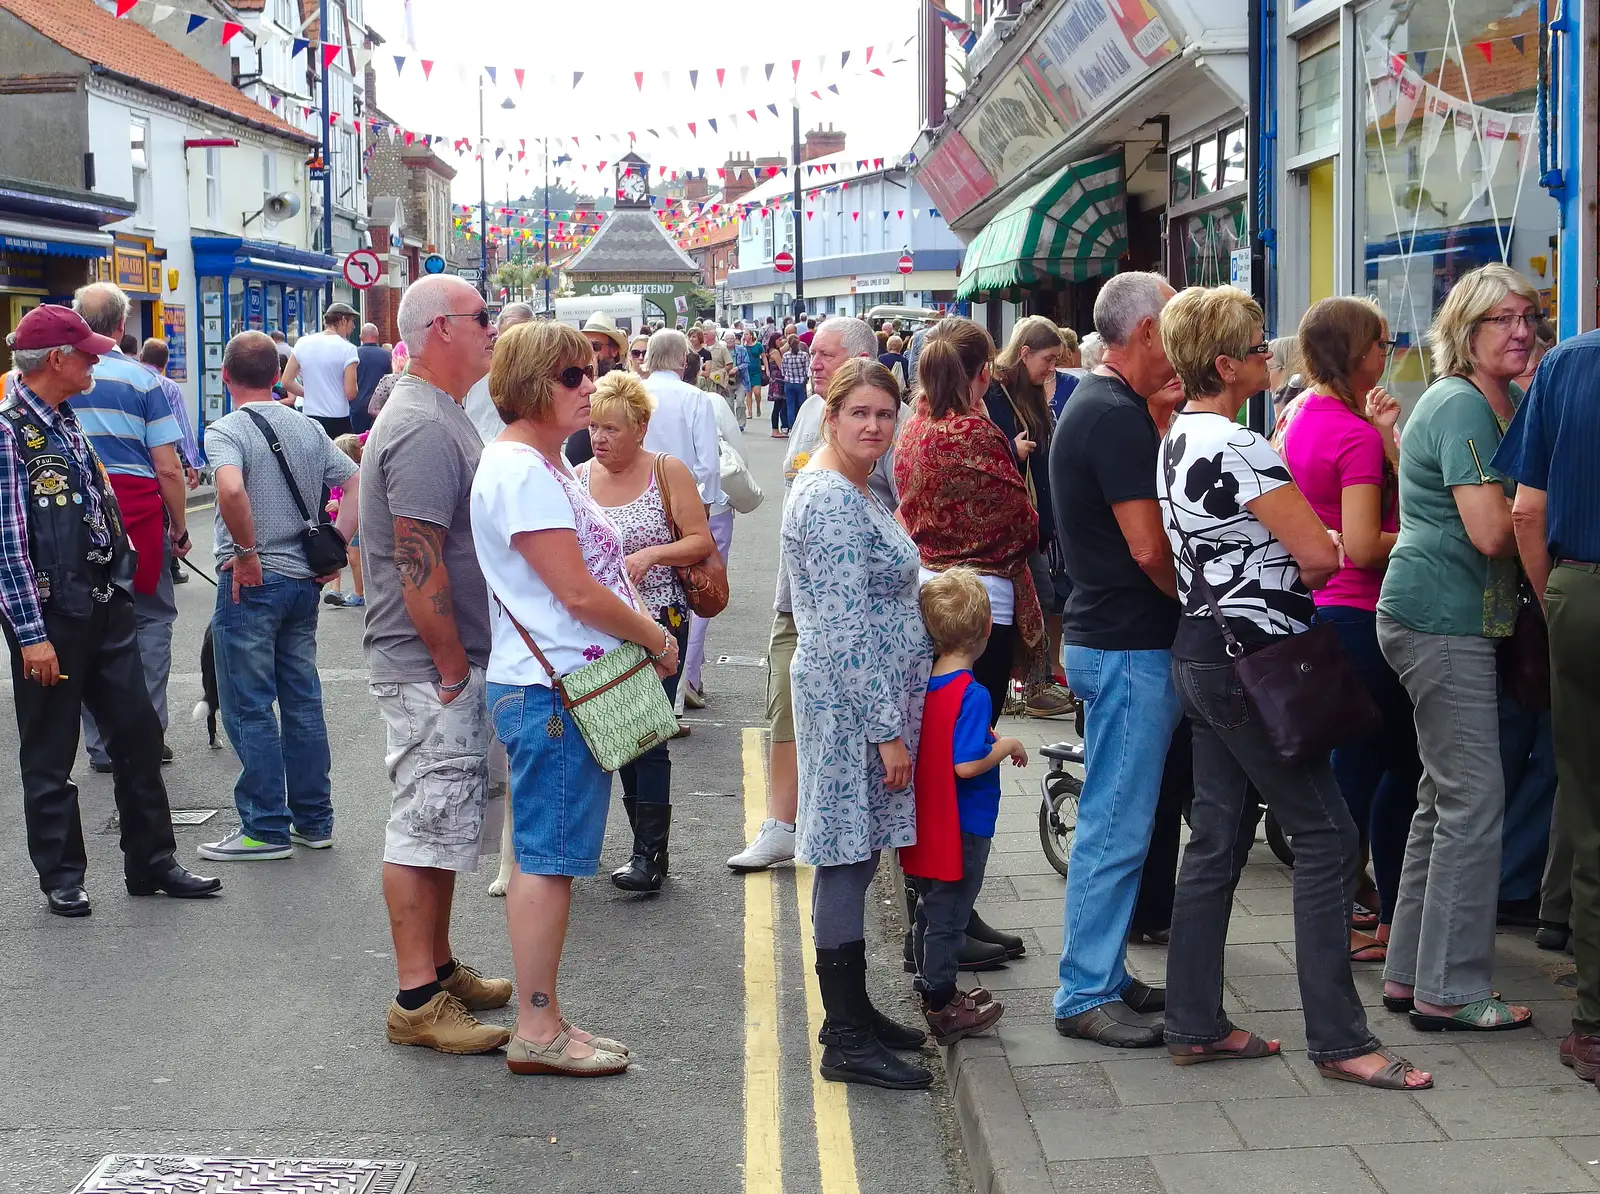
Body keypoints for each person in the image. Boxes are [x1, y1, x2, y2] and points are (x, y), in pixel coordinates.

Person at [1155, 283, 1430, 1089]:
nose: (1268, 355)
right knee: (1327, 838)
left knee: (1214, 843)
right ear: (1222, 364)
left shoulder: (1178, 436)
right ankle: (1343, 1042)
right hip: (1257, 662)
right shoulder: (1241, 448)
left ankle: (1194, 1022)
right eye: (1254, 345)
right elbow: (1321, 558)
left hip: (1202, 651)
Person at [473, 320, 680, 1076]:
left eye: (591, 370)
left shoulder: (540, 462)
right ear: (530, 383)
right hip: (556, 689)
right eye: (572, 376)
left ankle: (546, 1019)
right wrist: (655, 639)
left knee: (547, 857)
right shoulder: (523, 471)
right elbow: (576, 590)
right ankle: (539, 1030)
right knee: (547, 862)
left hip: (562, 682)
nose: (589, 386)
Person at [0, 304, 220, 916]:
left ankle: (152, 861)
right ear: (57, 360)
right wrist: (30, 635)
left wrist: (121, 570)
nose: (98, 359)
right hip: (51, 617)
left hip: (103, 602)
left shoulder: (66, 419)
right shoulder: (9, 431)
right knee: (49, 752)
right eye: (88, 353)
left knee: (138, 736)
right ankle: (62, 875)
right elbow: (8, 546)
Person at [1376, 263, 1538, 1032]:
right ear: (1464, 331)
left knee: (1442, 802)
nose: (1520, 330)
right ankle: (1452, 988)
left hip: (1444, 617)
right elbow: (1492, 531)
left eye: (1528, 316)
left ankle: (1411, 975)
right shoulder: (1464, 404)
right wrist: (1544, 510)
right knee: (1474, 803)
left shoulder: (1487, 401)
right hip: (1442, 619)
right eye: (1500, 319)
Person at [360, 275, 513, 1056]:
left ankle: (439, 966)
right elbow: (418, 563)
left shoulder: (437, 412)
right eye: (482, 316)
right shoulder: (422, 425)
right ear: (440, 329)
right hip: (429, 664)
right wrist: (452, 664)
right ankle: (416, 999)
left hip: (440, 660)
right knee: (424, 822)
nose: (493, 327)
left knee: (446, 820)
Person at [784, 357, 933, 1090]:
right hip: (852, 709)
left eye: (885, 413)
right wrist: (886, 730)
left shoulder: (858, 485)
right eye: (860, 414)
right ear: (831, 416)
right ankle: (844, 1036)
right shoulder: (832, 501)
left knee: (859, 850)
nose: (875, 425)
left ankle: (855, 1013)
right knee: (844, 856)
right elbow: (843, 631)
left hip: (864, 701)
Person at [1048, 271, 1182, 1048]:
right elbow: (1147, 546)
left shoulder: (1105, 407)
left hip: (1111, 639)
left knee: (1118, 819)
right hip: (1130, 643)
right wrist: (1191, 599)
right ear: (1146, 334)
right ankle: (1083, 991)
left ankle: (1102, 971)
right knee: (1116, 827)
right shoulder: (1113, 417)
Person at [891, 317, 1038, 970]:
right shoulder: (977, 431)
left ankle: (943, 911)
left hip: (928, 598)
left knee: (934, 754)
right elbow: (1021, 525)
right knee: (964, 759)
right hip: (982, 606)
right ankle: (949, 918)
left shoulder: (916, 420)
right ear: (983, 374)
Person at [1280, 297, 1418, 963]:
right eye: (1381, 343)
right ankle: (1373, 914)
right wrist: (1425, 534)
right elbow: (1364, 545)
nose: (1386, 354)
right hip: (1364, 615)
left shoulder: (1302, 414)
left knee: (1353, 773)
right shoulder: (1353, 434)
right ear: (1354, 351)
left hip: (1323, 613)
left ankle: (1351, 913)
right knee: (1395, 768)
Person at [728, 317, 889, 873]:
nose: (812, 362)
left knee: (831, 724)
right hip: (794, 595)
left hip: (848, 608)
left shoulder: (881, 430)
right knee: (783, 710)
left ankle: (817, 827)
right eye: (812, 353)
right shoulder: (808, 413)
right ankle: (780, 824)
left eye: (825, 354)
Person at [196, 331, 359, 861]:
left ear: (225, 376)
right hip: (301, 583)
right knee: (302, 700)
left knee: (248, 704)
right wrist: (337, 544)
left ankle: (264, 827)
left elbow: (230, 489)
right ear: (276, 376)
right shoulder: (309, 428)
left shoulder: (224, 430)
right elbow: (356, 481)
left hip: (251, 582)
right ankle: (315, 820)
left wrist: (245, 553)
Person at [1492, 308, 1600, 1080]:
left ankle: (1596, 1024)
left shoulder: (1567, 365)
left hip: (1584, 591)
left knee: (1590, 809)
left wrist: (1555, 595)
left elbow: (1526, 508)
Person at [578, 370, 713, 890]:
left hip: (661, 621)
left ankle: (649, 856)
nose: (600, 439)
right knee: (621, 735)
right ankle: (645, 851)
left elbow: (699, 540)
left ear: (640, 427)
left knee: (646, 737)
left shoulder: (666, 470)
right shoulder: (580, 476)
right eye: (594, 427)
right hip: (606, 625)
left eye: (611, 428)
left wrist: (651, 554)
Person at [70, 284, 189, 775]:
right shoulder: (145, 382)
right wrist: (179, 526)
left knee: (84, 622)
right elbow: (168, 467)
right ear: (122, 327)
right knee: (150, 620)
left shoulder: (54, 376)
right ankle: (145, 733)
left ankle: (100, 743)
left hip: (75, 518)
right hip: (136, 516)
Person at [902, 566, 1023, 1043]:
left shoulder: (924, 687)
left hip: (927, 817)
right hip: (963, 822)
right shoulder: (972, 694)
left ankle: (927, 981)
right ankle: (943, 1000)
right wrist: (1007, 743)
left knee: (930, 909)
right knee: (951, 913)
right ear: (987, 631)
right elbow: (967, 765)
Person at [988, 316, 1074, 718]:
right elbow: (981, 448)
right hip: (1008, 518)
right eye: (1048, 359)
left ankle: (1029, 684)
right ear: (1024, 354)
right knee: (1035, 596)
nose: (1051, 368)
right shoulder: (994, 391)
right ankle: (1028, 685)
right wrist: (1011, 447)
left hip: (1033, 517)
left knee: (1040, 596)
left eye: (1057, 360)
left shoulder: (1031, 391)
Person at [682, 362, 749, 711]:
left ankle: (683, 674)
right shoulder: (711, 402)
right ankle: (688, 675)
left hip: (661, 507)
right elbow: (738, 457)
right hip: (712, 508)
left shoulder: (644, 397)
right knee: (702, 591)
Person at [137, 337, 203, 587]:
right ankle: (170, 566)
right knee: (166, 512)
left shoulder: (129, 379)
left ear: (142, 357)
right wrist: (192, 463)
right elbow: (182, 426)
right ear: (164, 364)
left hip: (134, 462)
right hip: (161, 459)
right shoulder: (168, 386)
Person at [638, 330, 723, 510]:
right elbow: (708, 463)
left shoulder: (632, 394)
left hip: (637, 496)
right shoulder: (696, 397)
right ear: (684, 359)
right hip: (684, 498)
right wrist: (704, 504)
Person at [281, 302, 360, 438]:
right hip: (338, 419)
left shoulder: (302, 343)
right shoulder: (348, 349)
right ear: (342, 320)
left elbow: (286, 381)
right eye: (351, 322)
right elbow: (351, 393)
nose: (353, 326)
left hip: (310, 417)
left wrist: (310, 393)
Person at [464, 303, 534, 445]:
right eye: (507, 337)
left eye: (521, 339)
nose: (512, 347)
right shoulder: (476, 369)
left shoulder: (537, 378)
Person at [322, 434, 366, 609]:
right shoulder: (339, 476)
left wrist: (338, 503)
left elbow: (360, 496)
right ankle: (335, 590)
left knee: (354, 558)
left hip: (354, 522)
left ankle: (359, 593)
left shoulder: (358, 473)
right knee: (336, 553)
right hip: (338, 519)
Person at [353, 322, 393, 436]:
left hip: (358, 408)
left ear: (361, 337)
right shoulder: (387, 355)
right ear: (377, 336)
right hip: (379, 410)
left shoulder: (354, 355)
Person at [779, 334, 810, 433]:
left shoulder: (785, 355)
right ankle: (802, 427)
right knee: (802, 405)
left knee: (790, 406)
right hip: (800, 383)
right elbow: (807, 370)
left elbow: (783, 371)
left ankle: (792, 428)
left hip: (789, 383)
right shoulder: (804, 355)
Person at [766, 332, 789, 436]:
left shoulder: (773, 350)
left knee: (778, 405)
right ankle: (775, 430)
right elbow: (781, 367)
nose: (780, 341)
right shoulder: (775, 352)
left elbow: (784, 346)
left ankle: (775, 429)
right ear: (774, 341)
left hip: (775, 379)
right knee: (778, 405)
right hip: (778, 380)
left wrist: (789, 339)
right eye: (779, 340)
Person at [742, 328, 765, 421]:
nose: (745, 336)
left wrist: (766, 368)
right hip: (746, 372)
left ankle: (758, 405)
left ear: (751, 335)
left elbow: (763, 357)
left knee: (757, 392)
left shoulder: (758, 345)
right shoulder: (743, 346)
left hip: (756, 371)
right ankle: (749, 412)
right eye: (744, 334)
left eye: (747, 334)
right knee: (748, 393)